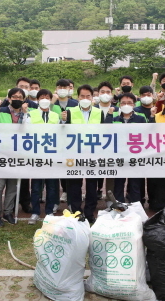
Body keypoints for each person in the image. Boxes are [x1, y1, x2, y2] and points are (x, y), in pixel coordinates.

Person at [62, 84, 105, 223]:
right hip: (75, 154)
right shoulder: (69, 111)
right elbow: (64, 132)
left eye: (88, 96)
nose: (85, 98)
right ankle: (76, 212)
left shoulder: (99, 112)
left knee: (92, 185)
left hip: (93, 153)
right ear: (77, 97)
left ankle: (89, 212)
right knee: (74, 185)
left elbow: (103, 133)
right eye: (82, 96)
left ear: (93, 97)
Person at [0, 88, 28, 227]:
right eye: (14, 96)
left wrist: (26, 114)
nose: (17, 99)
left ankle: (8, 212)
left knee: (12, 188)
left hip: (17, 156)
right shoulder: (1, 111)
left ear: (24, 100)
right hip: (1, 155)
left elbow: (29, 131)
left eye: (20, 97)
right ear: (9, 98)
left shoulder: (26, 114)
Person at [105, 93, 148, 204]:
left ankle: (136, 208)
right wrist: (109, 115)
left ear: (134, 105)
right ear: (119, 104)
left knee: (135, 185)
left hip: (135, 157)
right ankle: (119, 207)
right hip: (119, 157)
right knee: (118, 184)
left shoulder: (140, 119)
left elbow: (147, 135)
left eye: (129, 103)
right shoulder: (114, 118)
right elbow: (106, 131)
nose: (126, 105)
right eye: (123, 103)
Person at [25, 89, 60, 224]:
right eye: (42, 97)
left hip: (52, 155)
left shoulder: (55, 116)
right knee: (36, 187)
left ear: (51, 100)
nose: (44, 99)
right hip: (37, 155)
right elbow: (27, 131)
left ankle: (49, 212)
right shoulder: (30, 114)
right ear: (38, 100)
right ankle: (35, 212)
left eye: (47, 97)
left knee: (51, 186)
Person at [52, 79, 78, 204]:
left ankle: (72, 194)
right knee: (59, 168)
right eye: (60, 87)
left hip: (72, 141)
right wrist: (51, 101)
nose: (62, 89)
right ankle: (64, 191)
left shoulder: (75, 103)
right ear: (56, 89)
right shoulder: (53, 103)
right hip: (55, 141)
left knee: (71, 167)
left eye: (65, 87)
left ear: (69, 89)